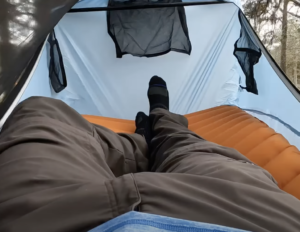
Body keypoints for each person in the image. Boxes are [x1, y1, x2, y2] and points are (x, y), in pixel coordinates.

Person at [0, 76, 300, 232]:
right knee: (185, 144)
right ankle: (160, 120)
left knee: (41, 112)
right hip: (245, 213)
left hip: (60, 217)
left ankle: (143, 140)